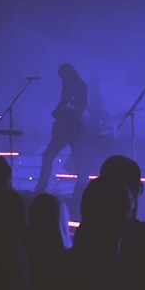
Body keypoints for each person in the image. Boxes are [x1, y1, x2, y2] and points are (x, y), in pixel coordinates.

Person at [36, 63, 88, 193]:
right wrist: (57, 111)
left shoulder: (80, 86)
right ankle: (42, 187)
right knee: (50, 156)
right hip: (64, 129)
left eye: (63, 76)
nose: (62, 79)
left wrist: (66, 107)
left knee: (77, 160)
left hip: (73, 129)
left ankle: (81, 188)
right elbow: (63, 103)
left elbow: (82, 108)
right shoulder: (67, 86)